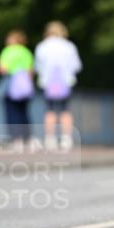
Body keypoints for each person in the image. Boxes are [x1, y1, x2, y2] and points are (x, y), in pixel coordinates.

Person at [34, 21, 82, 150]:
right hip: (65, 82)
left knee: (50, 110)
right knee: (65, 110)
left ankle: (50, 139)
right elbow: (77, 66)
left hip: (48, 83)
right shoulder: (69, 46)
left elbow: (37, 67)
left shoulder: (42, 47)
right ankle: (66, 139)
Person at [0, 30, 35, 148]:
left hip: (10, 85)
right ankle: (27, 138)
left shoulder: (7, 51)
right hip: (24, 87)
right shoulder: (26, 52)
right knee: (24, 112)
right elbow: (30, 72)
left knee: (11, 113)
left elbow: (2, 69)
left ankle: (16, 139)